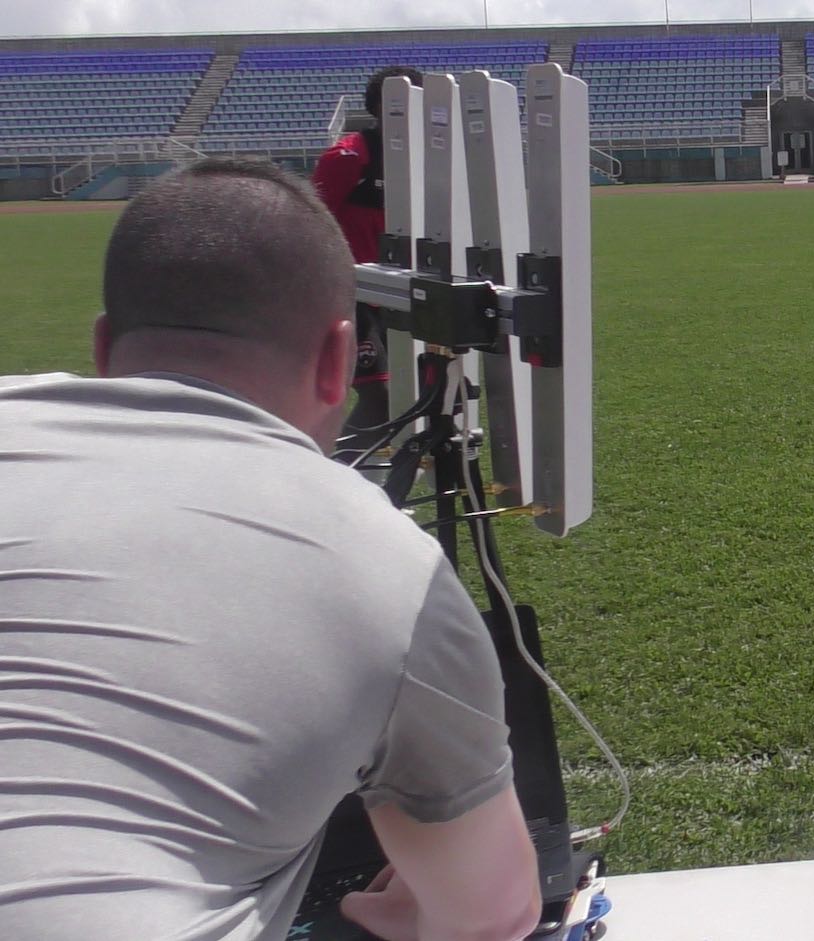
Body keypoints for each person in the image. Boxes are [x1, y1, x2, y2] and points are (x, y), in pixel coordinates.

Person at [0, 158, 540, 940]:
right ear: (336, 361)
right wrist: (397, 907)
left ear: (104, 345)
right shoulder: (385, 563)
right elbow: (495, 916)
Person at [312, 65, 424, 448]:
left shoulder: (431, 159)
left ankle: (378, 482)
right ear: (380, 107)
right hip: (359, 296)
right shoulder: (349, 157)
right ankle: (336, 485)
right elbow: (312, 220)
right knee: (380, 399)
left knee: (423, 394)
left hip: (410, 294)